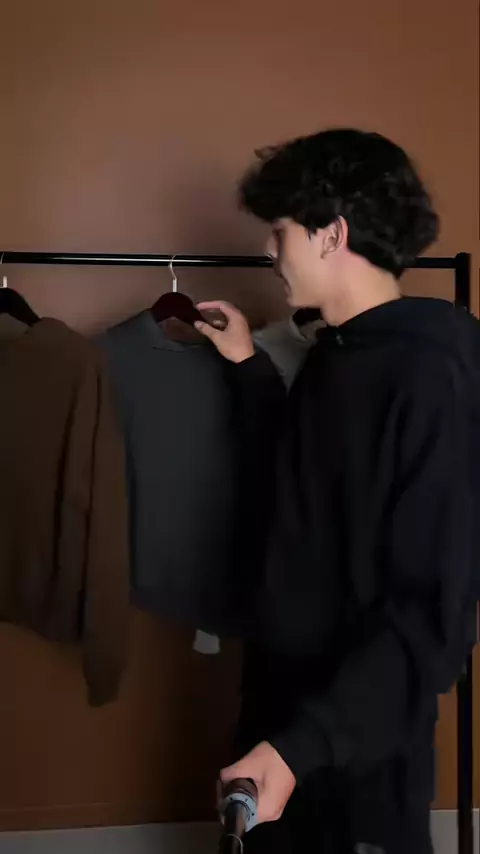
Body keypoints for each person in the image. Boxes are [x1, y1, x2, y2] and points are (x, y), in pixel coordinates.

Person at [195, 128, 478, 853]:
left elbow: (429, 623)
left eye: (280, 231)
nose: (271, 251)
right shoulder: (340, 353)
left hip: (355, 752)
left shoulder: (429, 378)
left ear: (332, 234)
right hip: (284, 715)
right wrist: (247, 366)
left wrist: (304, 747)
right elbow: (300, 478)